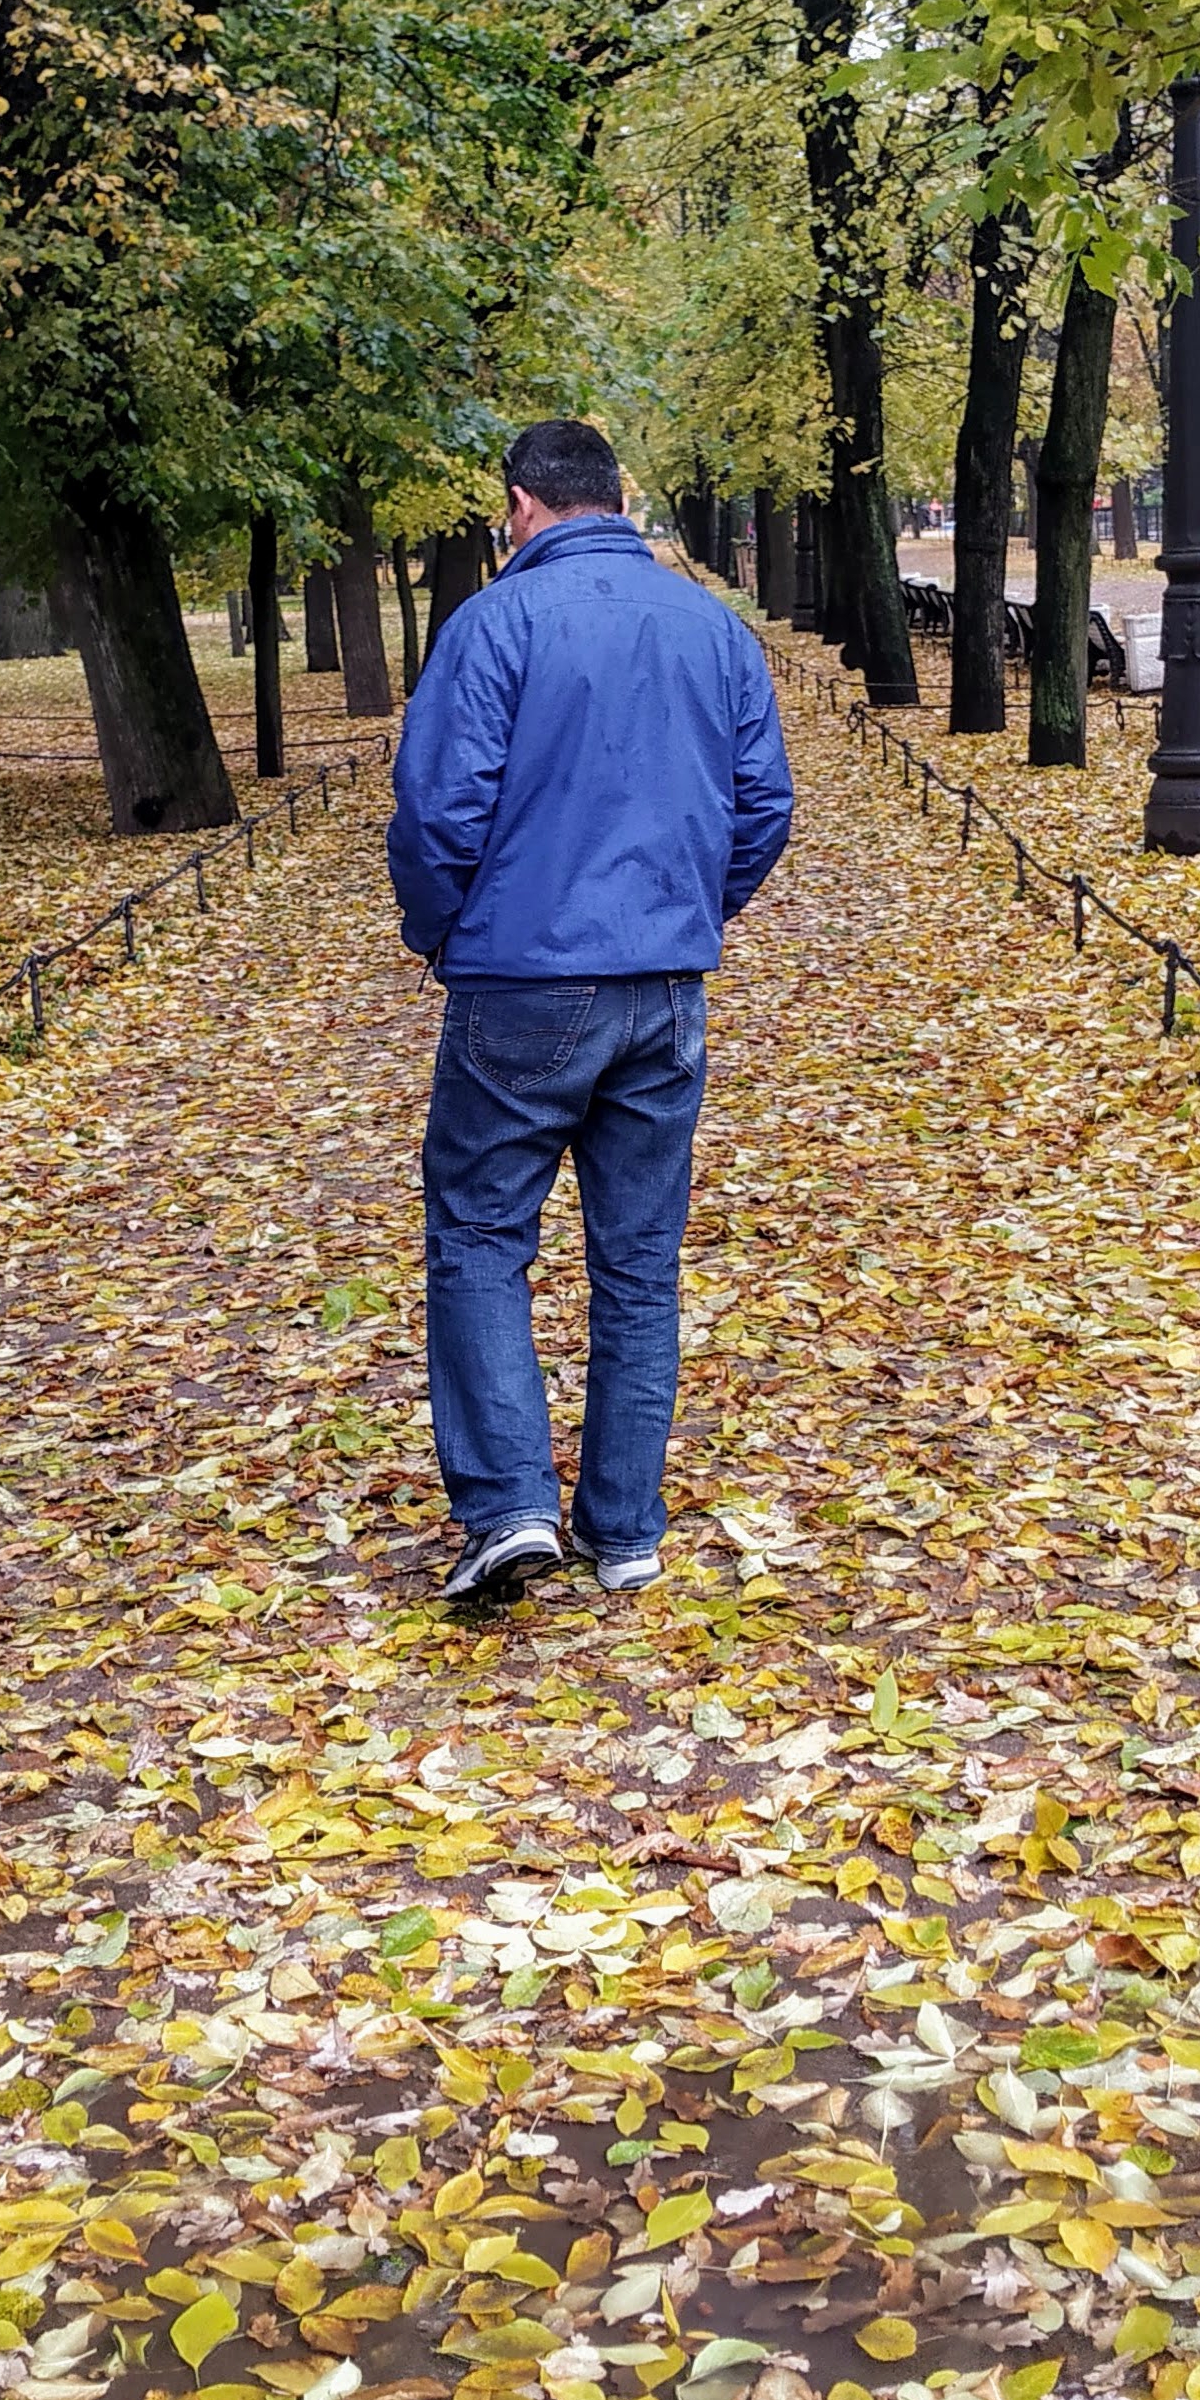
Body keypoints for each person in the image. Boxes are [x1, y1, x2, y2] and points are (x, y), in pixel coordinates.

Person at [385, 420, 794, 1615]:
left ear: (521, 504)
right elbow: (762, 805)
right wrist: (686, 912)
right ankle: (625, 1529)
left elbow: (436, 815)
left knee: (476, 1235)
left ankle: (511, 1507)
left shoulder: (494, 625)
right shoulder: (712, 630)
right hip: (665, 989)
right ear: (613, 499)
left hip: (521, 981)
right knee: (637, 1261)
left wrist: (445, 933)